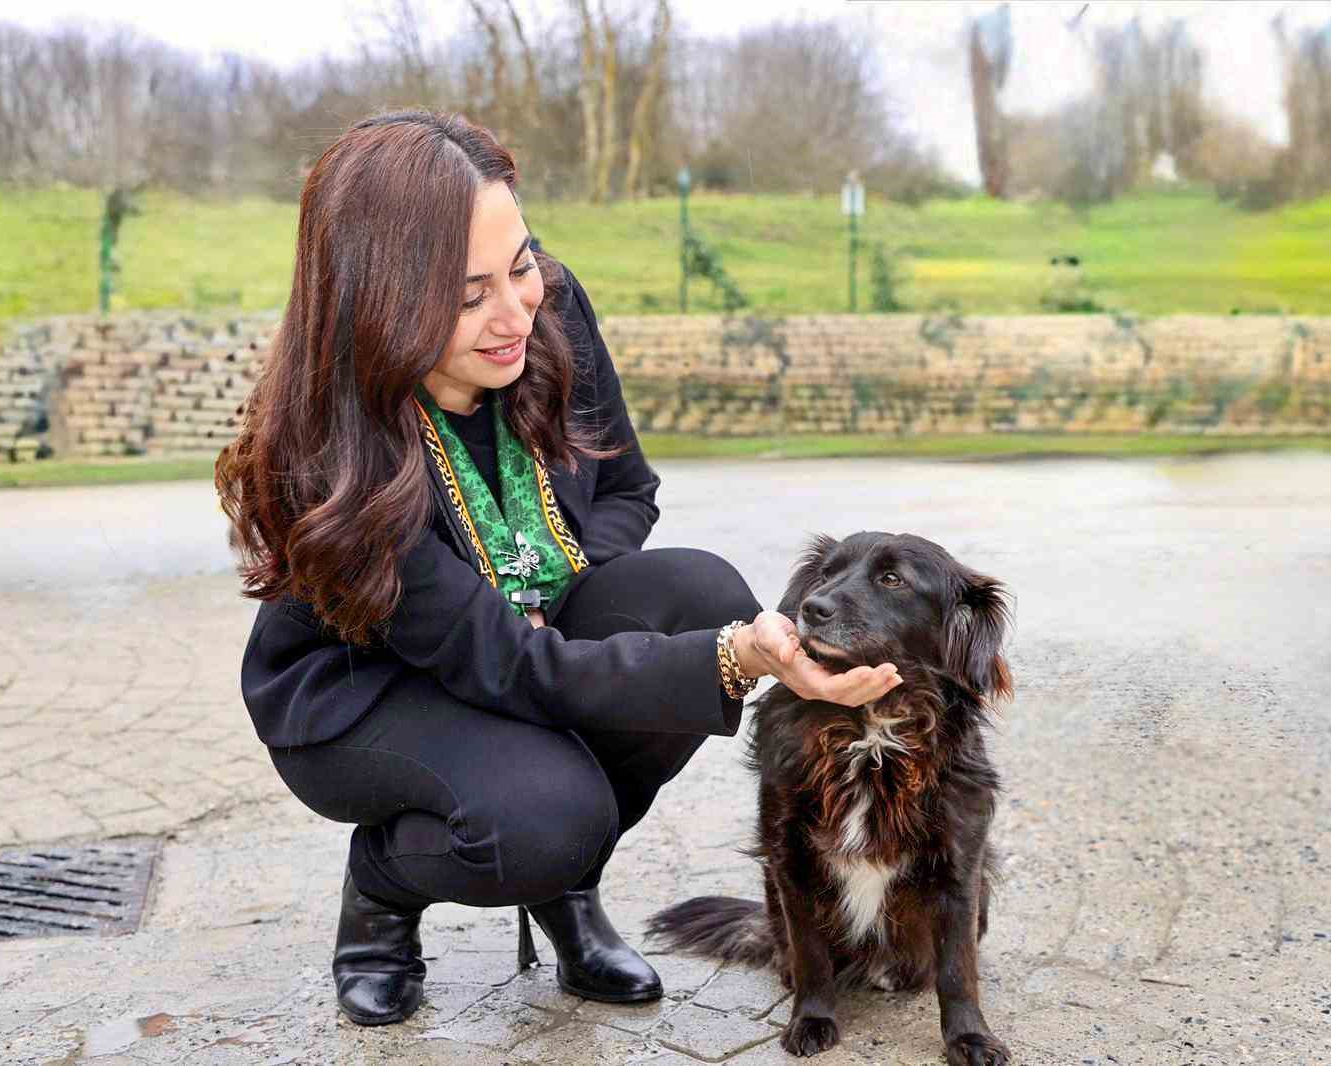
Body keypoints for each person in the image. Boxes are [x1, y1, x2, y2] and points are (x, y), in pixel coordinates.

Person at [214, 109, 903, 1027]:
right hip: (365, 688)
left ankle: (565, 885)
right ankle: (383, 892)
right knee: (548, 812)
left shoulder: (550, 309)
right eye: (467, 297)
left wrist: (560, 592)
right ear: (380, 305)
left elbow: (627, 490)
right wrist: (733, 657)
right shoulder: (333, 451)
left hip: (524, 628)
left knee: (699, 595)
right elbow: (506, 664)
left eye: (522, 263)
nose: (515, 315)